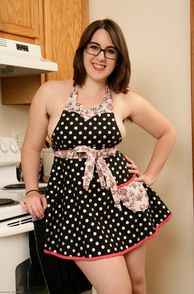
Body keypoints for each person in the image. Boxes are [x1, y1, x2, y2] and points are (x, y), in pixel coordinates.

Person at [21, 18, 176, 294]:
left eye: (110, 50)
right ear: (82, 50)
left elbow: (167, 133)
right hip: (74, 206)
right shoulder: (49, 93)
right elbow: (32, 147)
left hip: (123, 200)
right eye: (94, 47)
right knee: (118, 289)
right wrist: (32, 189)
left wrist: (149, 176)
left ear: (119, 58)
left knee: (138, 283)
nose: (100, 56)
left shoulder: (125, 99)